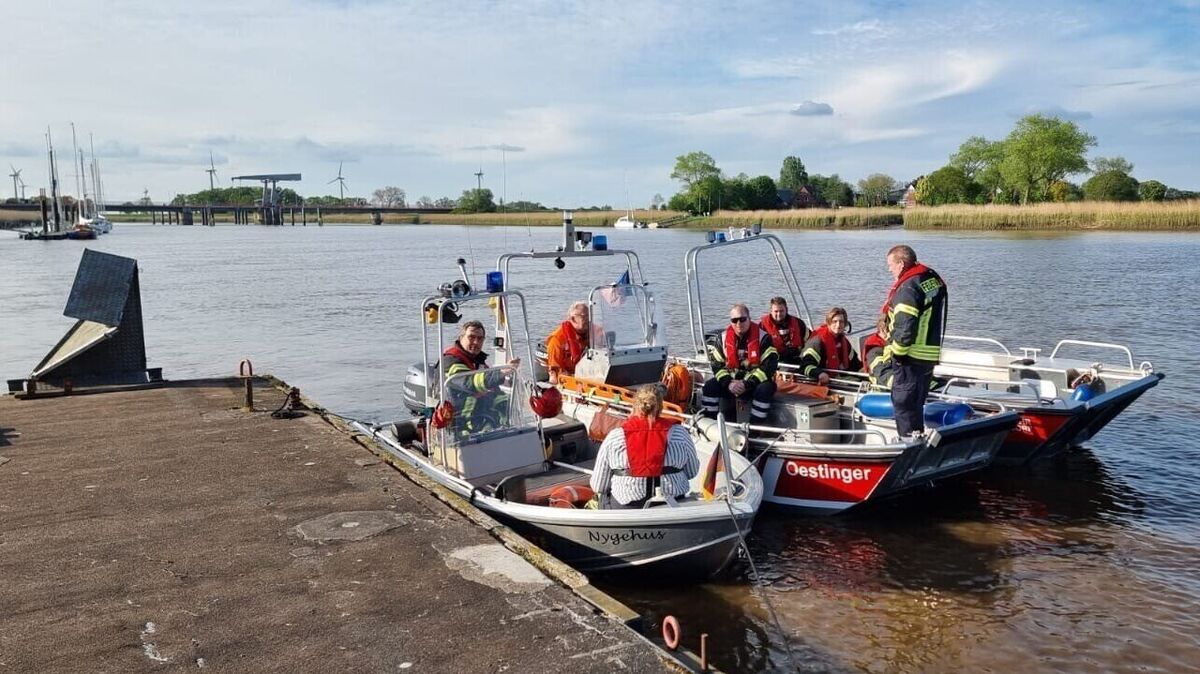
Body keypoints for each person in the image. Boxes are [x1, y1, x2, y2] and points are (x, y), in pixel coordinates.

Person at [590, 385, 699, 509]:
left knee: (603, 497)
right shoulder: (680, 434)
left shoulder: (615, 436)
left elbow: (598, 485)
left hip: (626, 508)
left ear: (635, 406)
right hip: (672, 505)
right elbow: (692, 472)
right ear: (661, 406)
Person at [882, 244, 947, 437]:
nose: (889, 269)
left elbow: (905, 327)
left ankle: (908, 445)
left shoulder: (907, 288)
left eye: (891, 264)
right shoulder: (930, 280)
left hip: (910, 358)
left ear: (901, 264)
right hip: (928, 355)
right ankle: (917, 437)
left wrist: (897, 354)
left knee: (904, 405)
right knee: (916, 404)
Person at [701, 303, 779, 426]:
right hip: (731, 383)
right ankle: (711, 425)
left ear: (749, 319)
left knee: (765, 389)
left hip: (754, 383)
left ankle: (754, 430)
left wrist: (747, 384)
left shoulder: (764, 338)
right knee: (710, 386)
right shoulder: (722, 339)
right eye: (735, 320)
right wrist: (728, 383)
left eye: (742, 319)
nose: (739, 323)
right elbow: (717, 365)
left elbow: (769, 367)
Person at [440, 320, 521, 434]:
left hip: (480, 418)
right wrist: (501, 372)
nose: (476, 342)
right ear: (461, 337)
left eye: (480, 338)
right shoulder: (450, 361)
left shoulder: (478, 362)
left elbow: (493, 389)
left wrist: (507, 409)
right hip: (458, 424)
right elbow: (469, 382)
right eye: (471, 337)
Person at [799, 307, 862, 386]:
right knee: (857, 383)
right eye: (835, 321)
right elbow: (805, 366)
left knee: (863, 380)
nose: (838, 325)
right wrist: (819, 374)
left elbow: (855, 364)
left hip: (838, 376)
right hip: (823, 380)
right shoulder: (818, 342)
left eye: (841, 322)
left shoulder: (844, 341)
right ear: (828, 323)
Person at [546, 301, 590, 383]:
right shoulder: (557, 340)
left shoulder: (595, 333)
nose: (588, 319)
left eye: (589, 315)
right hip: (569, 381)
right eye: (585, 316)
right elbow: (554, 373)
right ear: (573, 319)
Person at [758, 296, 808, 365]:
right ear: (771, 311)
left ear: (786, 310)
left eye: (781, 311)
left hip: (797, 358)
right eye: (776, 311)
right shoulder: (762, 326)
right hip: (775, 362)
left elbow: (809, 340)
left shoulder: (799, 323)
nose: (779, 314)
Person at [862, 314, 895, 389]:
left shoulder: (891, 343)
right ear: (883, 330)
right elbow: (880, 370)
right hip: (880, 386)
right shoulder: (874, 348)